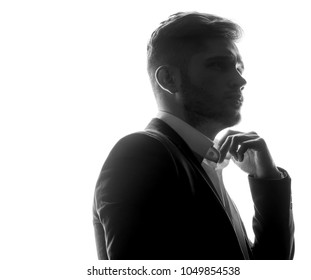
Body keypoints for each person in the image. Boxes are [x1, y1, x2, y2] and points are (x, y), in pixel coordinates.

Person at [92, 11, 294, 260]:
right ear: (169, 79)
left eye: (239, 67)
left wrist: (268, 180)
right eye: (219, 65)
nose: (240, 79)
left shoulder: (206, 167)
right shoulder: (140, 152)